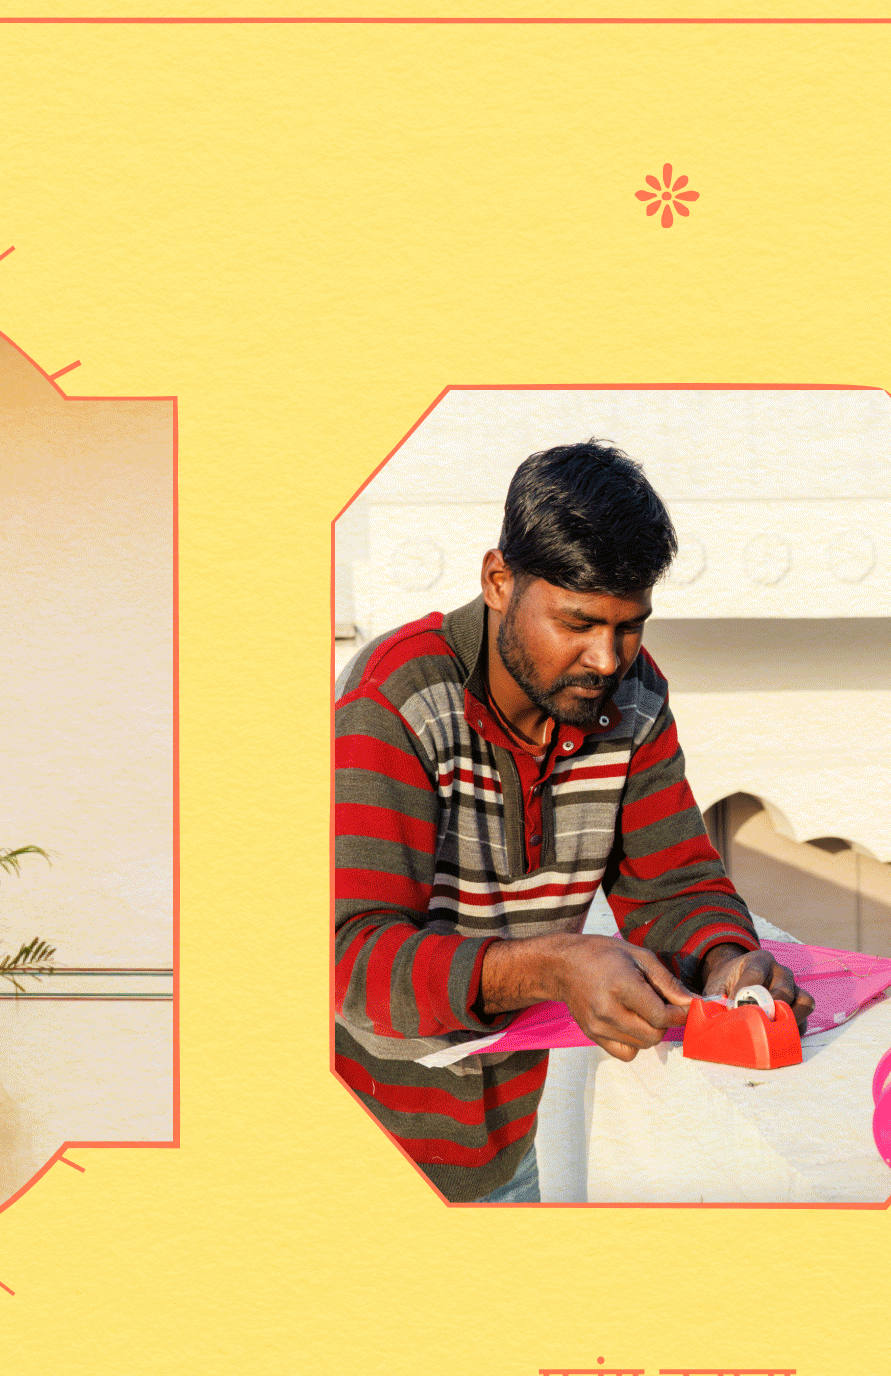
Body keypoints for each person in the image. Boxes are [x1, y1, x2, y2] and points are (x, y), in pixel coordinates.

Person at [333, 440, 811, 1203]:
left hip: (507, 1154)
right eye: (579, 622)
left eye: (630, 626)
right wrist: (554, 965)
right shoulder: (395, 701)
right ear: (499, 581)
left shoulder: (633, 700)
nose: (607, 659)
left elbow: (674, 885)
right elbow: (349, 960)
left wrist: (727, 962)